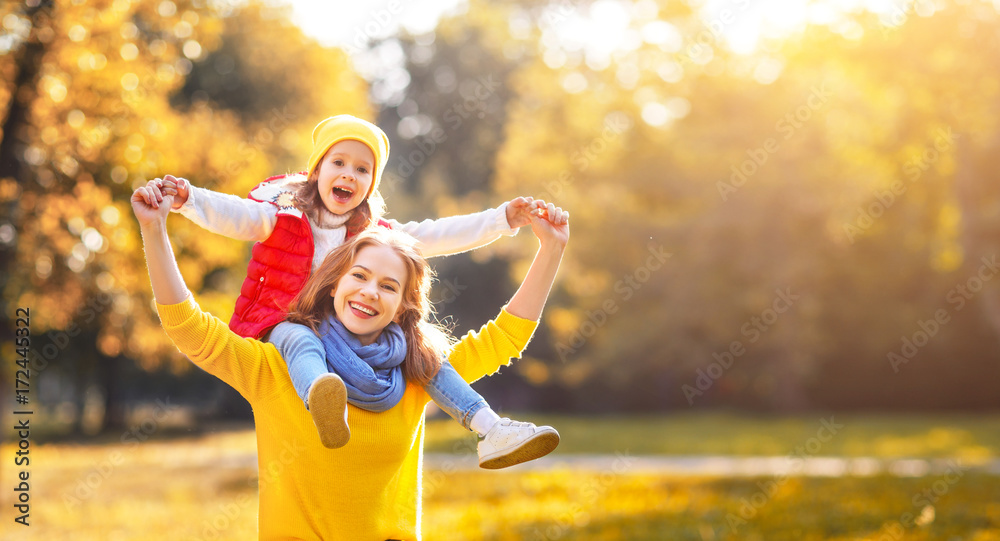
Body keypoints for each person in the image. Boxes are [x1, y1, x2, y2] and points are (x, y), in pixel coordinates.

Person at [131, 183, 569, 540]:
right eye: (358, 276)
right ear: (333, 284)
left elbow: (504, 339)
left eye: (388, 285)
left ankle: (490, 428)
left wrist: (550, 250)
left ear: (402, 306)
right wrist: (154, 231)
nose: (369, 292)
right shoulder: (274, 365)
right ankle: (321, 392)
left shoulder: (419, 373)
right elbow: (189, 328)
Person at [144, 114, 556, 466]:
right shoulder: (281, 216)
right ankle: (321, 396)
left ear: (371, 185)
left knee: (426, 355)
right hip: (284, 318)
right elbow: (236, 215)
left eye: (362, 170)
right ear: (317, 171)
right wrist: (188, 199)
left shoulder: (373, 235)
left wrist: (503, 219)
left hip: (345, 328)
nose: (348, 174)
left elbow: (438, 234)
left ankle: (490, 428)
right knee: (300, 339)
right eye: (338, 162)